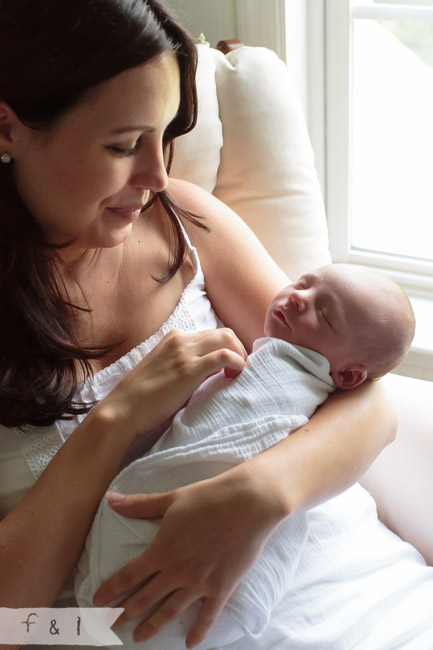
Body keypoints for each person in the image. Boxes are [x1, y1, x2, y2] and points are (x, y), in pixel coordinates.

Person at [0, 2, 397, 650]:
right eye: (123, 145)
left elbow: (368, 401)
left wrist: (259, 494)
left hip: (349, 582)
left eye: (165, 135)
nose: (157, 175)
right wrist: (115, 419)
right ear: (7, 128)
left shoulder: (183, 217)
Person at [75, 262, 416, 648]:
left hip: (354, 588)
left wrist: (261, 493)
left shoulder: (293, 371)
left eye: (324, 313)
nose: (299, 296)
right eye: (302, 282)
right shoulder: (274, 355)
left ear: (349, 376)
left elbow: (378, 414)